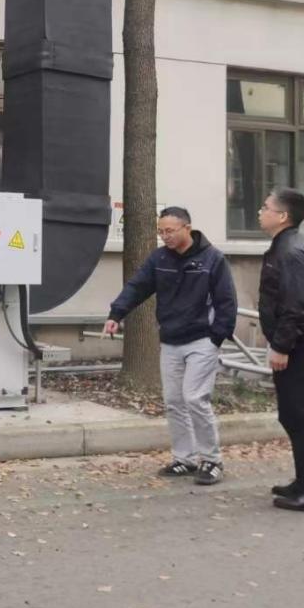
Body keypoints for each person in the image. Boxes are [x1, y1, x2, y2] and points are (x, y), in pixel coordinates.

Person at [104, 206, 237, 486]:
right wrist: (116, 314)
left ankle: (212, 460)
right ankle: (184, 459)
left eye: (170, 231)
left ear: (187, 228)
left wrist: (217, 337)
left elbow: (226, 301)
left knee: (195, 398)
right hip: (171, 340)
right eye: (160, 231)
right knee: (174, 402)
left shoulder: (212, 259)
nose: (165, 236)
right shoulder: (159, 258)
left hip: (202, 340)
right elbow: (137, 286)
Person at [258, 188, 304, 514]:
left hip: (301, 348)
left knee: (302, 420)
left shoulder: (290, 251)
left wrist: (281, 346)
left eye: (266, 207)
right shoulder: (286, 246)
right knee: (292, 417)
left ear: (282, 216)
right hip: (299, 346)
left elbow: (295, 306)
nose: (260, 211)